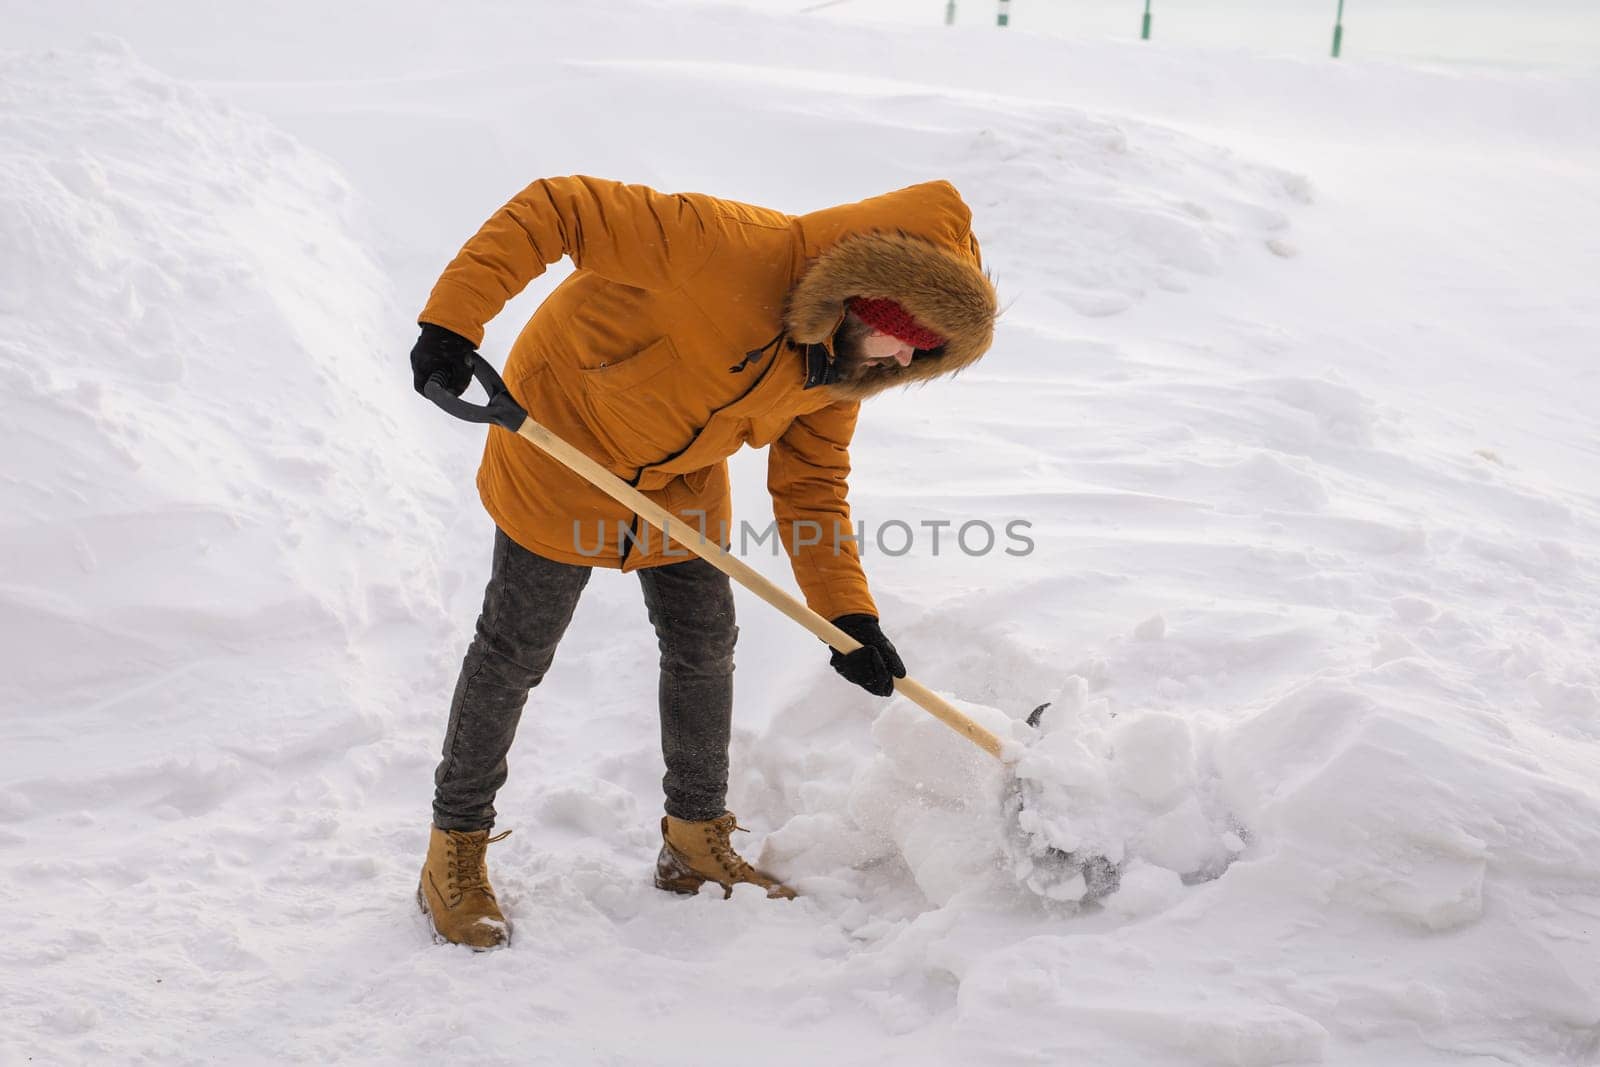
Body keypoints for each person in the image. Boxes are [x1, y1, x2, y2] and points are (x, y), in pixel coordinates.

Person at [410, 175, 997, 949]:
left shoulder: (844, 370)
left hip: (679, 480)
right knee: (515, 650)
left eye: (921, 357)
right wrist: (453, 325)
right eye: (904, 338)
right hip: (558, 442)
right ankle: (453, 848)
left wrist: (848, 615)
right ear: (867, 299)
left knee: (704, 645)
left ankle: (693, 842)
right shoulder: (721, 245)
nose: (900, 362)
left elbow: (812, 487)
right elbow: (557, 207)